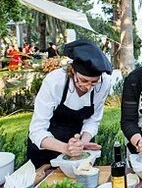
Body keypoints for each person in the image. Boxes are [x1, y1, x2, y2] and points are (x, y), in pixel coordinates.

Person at [27, 39, 112, 168]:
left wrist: (82, 143)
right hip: (46, 148)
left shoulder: (104, 83)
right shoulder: (54, 82)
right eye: (84, 81)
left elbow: (93, 120)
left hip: (77, 147)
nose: (89, 87)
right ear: (73, 72)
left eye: (94, 82)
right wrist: (66, 148)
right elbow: (36, 130)